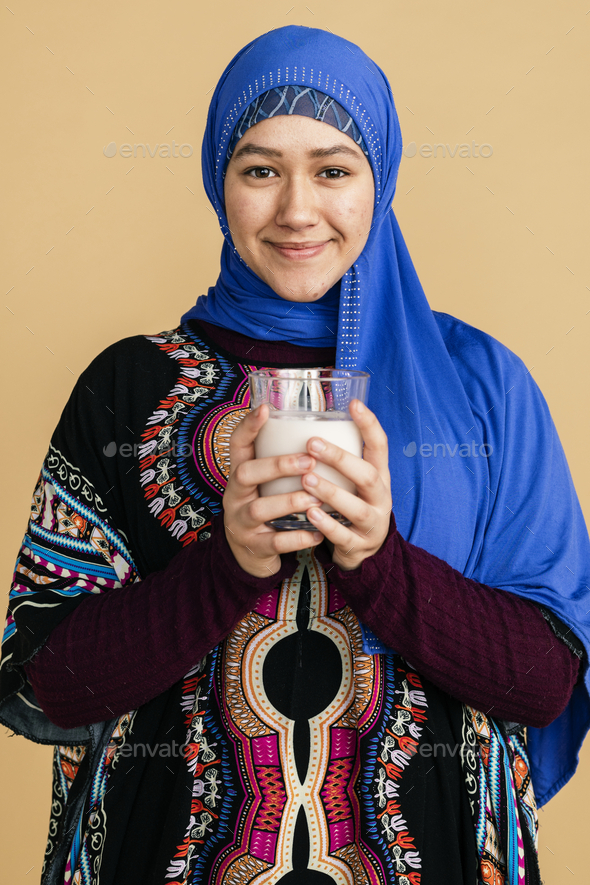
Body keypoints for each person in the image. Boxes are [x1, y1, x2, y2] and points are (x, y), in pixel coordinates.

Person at [1, 24, 589, 885]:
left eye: (334, 169)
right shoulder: (128, 388)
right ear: (218, 180)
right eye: (261, 169)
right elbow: (46, 680)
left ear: (378, 180)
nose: (297, 211)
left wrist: (379, 560)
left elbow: (542, 681)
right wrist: (224, 568)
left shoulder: (479, 389)